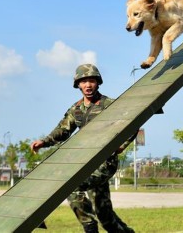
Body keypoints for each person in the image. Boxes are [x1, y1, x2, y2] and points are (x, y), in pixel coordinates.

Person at [30, 64, 135, 233]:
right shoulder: (76, 109)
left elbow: (132, 123)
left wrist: (120, 146)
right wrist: (44, 142)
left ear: (98, 83)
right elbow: (63, 130)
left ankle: (89, 225)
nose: (88, 85)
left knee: (71, 185)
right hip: (85, 163)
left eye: (91, 81)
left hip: (104, 163)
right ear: (77, 84)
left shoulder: (110, 104)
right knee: (105, 216)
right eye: (84, 81)